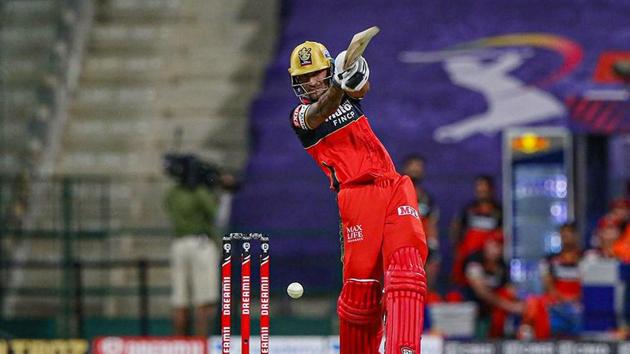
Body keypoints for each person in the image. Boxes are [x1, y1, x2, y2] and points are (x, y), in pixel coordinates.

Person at [288, 41, 428, 353]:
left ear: (327, 70)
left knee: (407, 268)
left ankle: (403, 347)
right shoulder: (300, 116)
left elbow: (362, 87)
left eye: (316, 73)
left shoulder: (345, 92)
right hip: (356, 197)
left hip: (392, 183)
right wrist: (338, 83)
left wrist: (352, 72)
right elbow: (319, 112)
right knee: (361, 295)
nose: (311, 81)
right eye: (304, 76)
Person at [163, 155, 220, 336]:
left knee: (180, 300)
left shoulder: (172, 193)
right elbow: (215, 213)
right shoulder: (200, 193)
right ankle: (201, 344)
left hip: (178, 244)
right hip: (200, 244)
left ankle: (179, 345)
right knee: (204, 300)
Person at [461, 233, 523, 338]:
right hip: (473, 306)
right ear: (486, 243)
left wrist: (521, 303)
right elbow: (481, 292)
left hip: (493, 310)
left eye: (499, 246)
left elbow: (510, 290)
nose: (495, 250)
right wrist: (509, 306)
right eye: (493, 244)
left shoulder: (502, 265)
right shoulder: (474, 260)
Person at [450, 175, 502, 286]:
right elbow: (457, 227)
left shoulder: (498, 211)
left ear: (491, 189)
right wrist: (457, 246)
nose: (481, 190)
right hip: (469, 253)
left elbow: (502, 233)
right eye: (479, 187)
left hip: (489, 256)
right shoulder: (469, 209)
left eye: (484, 187)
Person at [401, 155, 441, 298]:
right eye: (414, 166)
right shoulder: (395, 193)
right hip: (400, 246)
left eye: (419, 167)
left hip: (422, 247)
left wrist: (433, 246)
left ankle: (424, 306)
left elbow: (432, 223)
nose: (416, 170)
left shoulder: (427, 199)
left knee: (425, 284)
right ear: (405, 168)